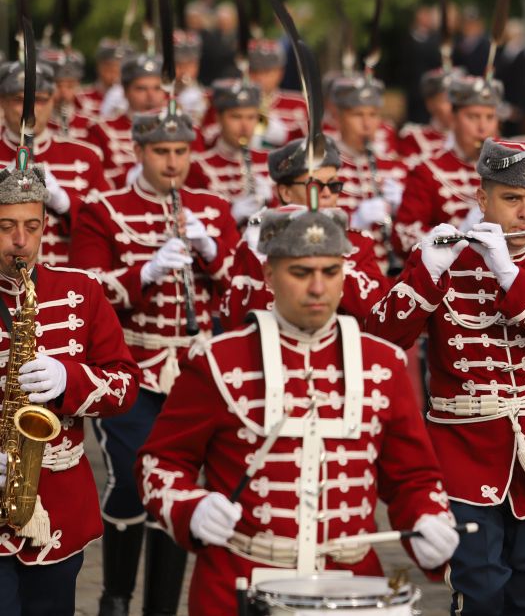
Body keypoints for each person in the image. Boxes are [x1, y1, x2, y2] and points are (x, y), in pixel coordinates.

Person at [137, 208, 458, 615]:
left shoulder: (383, 363)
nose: (318, 288)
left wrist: (429, 520)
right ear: (269, 275)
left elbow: (412, 477)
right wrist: (190, 506)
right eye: (301, 272)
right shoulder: (218, 360)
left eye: (330, 271)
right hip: (239, 582)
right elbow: (160, 462)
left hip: (354, 589)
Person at [368, 138, 525, 615]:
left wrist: (510, 275)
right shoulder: (445, 262)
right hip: (464, 451)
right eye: (512, 199)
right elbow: (382, 338)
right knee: (480, 588)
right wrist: (424, 272)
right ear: (482, 198)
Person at [70, 103, 239, 616]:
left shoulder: (211, 205)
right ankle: (116, 597)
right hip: (134, 364)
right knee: (129, 473)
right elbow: (88, 288)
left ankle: (161, 608)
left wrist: (212, 251)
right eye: (161, 152)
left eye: (181, 152)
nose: (172, 163)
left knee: (181, 483)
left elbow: (243, 283)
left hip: (193, 370)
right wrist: (143, 272)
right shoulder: (104, 208)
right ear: (138, 151)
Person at [0, 119, 139, 616]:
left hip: (59, 504)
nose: (21, 241)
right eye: (6, 226)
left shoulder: (82, 289)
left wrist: (69, 379)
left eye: (32, 226)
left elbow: (124, 386)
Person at [219, 134, 386, 330]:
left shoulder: (358, 243)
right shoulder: (257, 243)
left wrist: (330, 256)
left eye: (333, 185)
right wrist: (260, 257)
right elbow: (233, 319)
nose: (326, 193)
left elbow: (376, 310)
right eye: (314, 185)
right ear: (285, 193)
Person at [0, 61, 108, 268]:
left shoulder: (85, 156)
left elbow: (106, 224)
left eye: (39, 100)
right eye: (19, 100)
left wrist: (65, 203)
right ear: (2, 102)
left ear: (52, 101)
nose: (29, 108)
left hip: (65, 283)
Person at [394, 74, 501, 254]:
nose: (483, 128)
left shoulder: (509, 167)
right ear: (454, 118)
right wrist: (458, 236)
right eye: (473, 117)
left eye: (490, 117)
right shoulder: (428, 170)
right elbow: (404, 238)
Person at [329, 75, 408, 273]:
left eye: (373, 115)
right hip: (343, 272)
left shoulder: (396, 167)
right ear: (339, 117)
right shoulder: (325, 169)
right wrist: (354, 223)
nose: (367, 124)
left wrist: (404, 210)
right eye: (358, 115)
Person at [187, 79, 272, 224]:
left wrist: (273, 202)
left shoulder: (269, 160)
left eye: (251, 117)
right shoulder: (199, 166)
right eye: (236, 117)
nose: (244, 126)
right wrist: (231, 215)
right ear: (218, 118)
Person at [84, 53, 167, 188]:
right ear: (125, 91)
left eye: (157, 88)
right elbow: (97, 179)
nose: (151, 96)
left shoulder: (180, 129)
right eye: (141, 89)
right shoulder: (100, 129)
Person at [248, 38, 307, 148]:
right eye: (255, 71)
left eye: (266, 72)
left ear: (280, 72)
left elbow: (311, 146)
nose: (260, 78)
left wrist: (287, 136)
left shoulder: (299, 104)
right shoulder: (237, 103)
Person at [397, 67, 463, 166]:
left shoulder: (475, 138)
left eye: (458, 99)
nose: (453, 107)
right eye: (446, 100)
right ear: (430, 104)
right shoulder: (414, 138)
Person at [39, 46, 92, 141]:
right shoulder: (36, 123)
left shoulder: (90, 125)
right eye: (58, 85)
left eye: (70, 86)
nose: (64, 92)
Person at [76, 39, 132, 119]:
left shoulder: (130, 98)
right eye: (109, 67)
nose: (114, 72)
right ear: (98, 67)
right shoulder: (80, 97)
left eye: (118, 68)